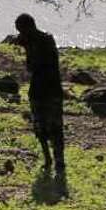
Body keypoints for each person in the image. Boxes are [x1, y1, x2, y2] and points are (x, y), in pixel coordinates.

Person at [14, 12, 65, 179]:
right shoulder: (36, 41)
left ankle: (58, 161)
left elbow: (36, 65)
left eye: (21, 30)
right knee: (40, 127)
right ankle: (49, 159)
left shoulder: (44, 40)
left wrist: (27, 46)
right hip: (39, 89)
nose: (21, 34)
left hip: (50, 89)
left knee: (54, 127)